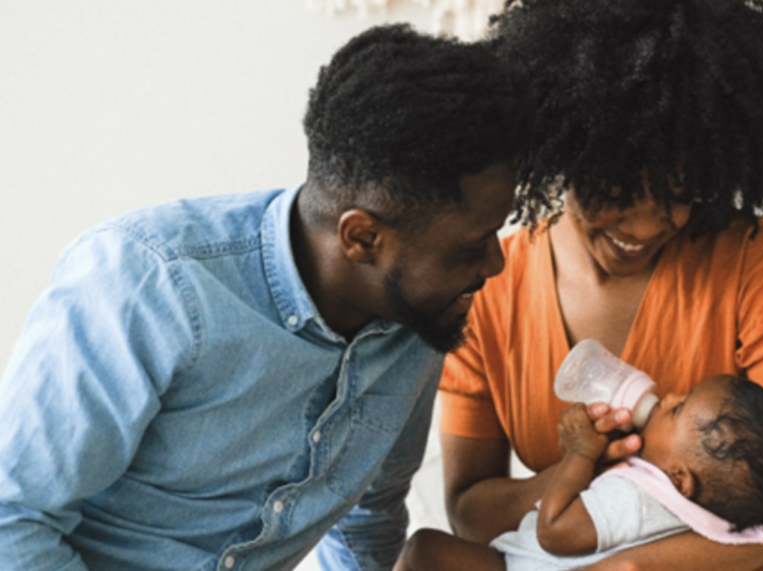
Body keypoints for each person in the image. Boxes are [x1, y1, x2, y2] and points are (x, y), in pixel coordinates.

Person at [0, 24, 532, 571]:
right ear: (362, 238)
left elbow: (368, 521)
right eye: (469, 247)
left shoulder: (417, 324)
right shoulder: (149, 283)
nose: (495, 263)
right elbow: (11, 519)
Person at [438, 1, 763, 571]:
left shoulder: (757, 263)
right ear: (564, 151)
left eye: (677, 194)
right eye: (617, 190)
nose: (647, 226)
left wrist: (638, 568)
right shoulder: (488, 289)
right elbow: (470, 512)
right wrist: (576, 469)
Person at [396, 374, 763, 571]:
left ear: (679, 479)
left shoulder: (637, 498)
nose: (669, 394)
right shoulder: (715, 518)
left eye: (677, 408)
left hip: (521, 566)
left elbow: (555, 533)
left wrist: (580, 456)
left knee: (422, 552)